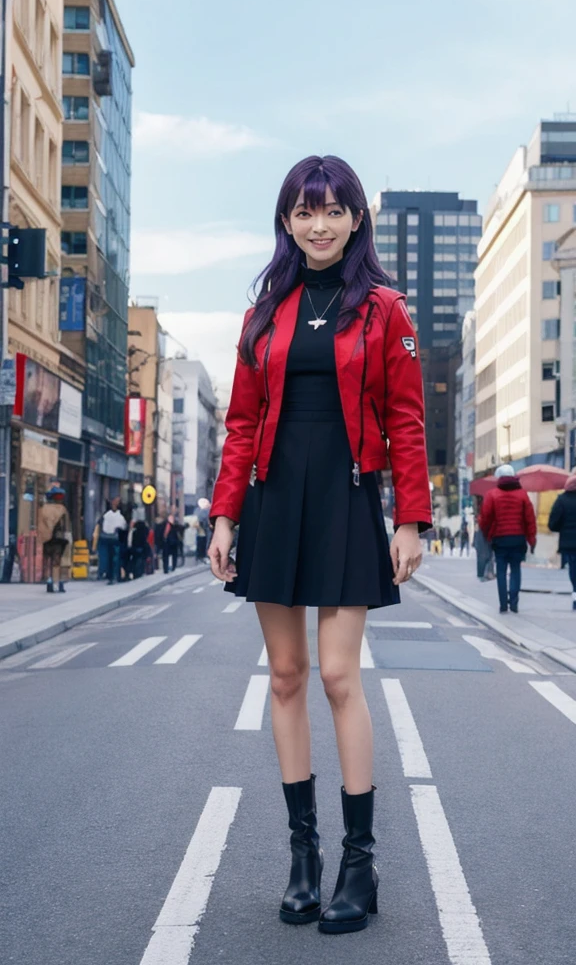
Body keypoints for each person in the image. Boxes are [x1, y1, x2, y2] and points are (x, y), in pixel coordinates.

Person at [207, 155, 431, 934]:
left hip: (343, 497)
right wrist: (223, 515)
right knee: (286, 677)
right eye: (305, 211)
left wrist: (410, 518)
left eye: (333, 210)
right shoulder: (264, 312)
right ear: (287, 220)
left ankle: (358, 865)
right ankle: (303, 858)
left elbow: (407, 419)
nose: (319, 223)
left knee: (340, 676)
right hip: (274, 500)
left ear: (356, 219)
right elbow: (240, 424)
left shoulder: (384, 310)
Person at [478, 464, 537, 613]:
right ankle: (514, 603)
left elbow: (485, 518)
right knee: (516, 569)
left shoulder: (492, 494)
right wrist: (532, 540)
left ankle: (503, 604)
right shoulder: (522, 495)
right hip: (518, 538)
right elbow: (530, 519)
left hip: (500, 539)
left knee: (502, 571)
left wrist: (487, 534)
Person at [548, 470, 576, 610]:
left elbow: (553, 524)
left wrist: (563, 528)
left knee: (574, 570)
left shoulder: (562, 500)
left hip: (569, 543)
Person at [38, 485, 72, 593]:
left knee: (47, 561)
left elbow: (40, 524)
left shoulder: (43, 509)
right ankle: (60, 583)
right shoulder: (62, 509)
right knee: (59, 562)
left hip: (46, 539)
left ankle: (49, 582)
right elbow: (66, 525)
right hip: (59, 539)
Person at [100, 497, 127, 584]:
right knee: (113, 558)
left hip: (113, 539)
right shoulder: (111, 515)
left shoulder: (109, 515)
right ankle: (113, 576)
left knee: (113, 558)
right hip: (114, 539)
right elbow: (123, 526)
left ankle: (113, 576)